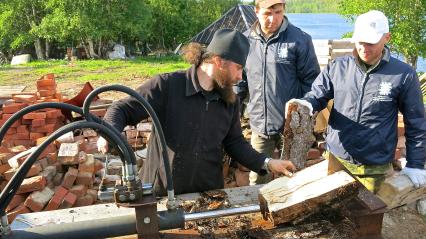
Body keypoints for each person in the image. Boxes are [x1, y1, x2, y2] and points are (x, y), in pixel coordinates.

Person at [97, 29, 296, 196]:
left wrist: (268, 163)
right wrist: (109, 133)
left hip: (207, 196)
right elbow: (122, 108)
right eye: (238, 68)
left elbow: (235, 143)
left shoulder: (229, 100)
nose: (239, 76)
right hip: (161, 194)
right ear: (218, 61)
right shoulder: (167, 86)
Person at [288, 10, 426, 192]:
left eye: (371, 43)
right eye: (360, 42)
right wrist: (307, 103)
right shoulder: (339, 67)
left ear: (387, 38)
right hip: (337, 160)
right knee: (335, 215)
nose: (364, 48)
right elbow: (317, 95)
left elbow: (416, 122)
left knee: (370, 214)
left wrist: (415, 163)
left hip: (375, 167)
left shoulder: (403, 75)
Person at [234, 0, 320, 185]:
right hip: (260, 126)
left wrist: (301, 118)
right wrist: (232, 108)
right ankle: (260, 213)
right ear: (256, 11)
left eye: (278, 12)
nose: (272, 19)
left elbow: (312, 82)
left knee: (293, 180)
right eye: (267, 13)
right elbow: (239, 81)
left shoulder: (299, 40)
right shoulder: (245, 40)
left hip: (292, 128)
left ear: (284, 10)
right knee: (258, 180)